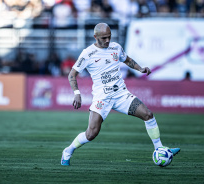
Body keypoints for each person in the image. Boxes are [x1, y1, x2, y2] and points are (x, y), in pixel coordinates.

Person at [61, 23, 180, 166]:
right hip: (102, 98)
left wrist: (140, 69)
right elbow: (72, 74)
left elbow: (127, 60)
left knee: (148, 114)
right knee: (91, 133)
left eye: (109, 37)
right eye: (104, 38)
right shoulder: (88, 53)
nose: (107, 40)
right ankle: (68, 151)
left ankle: (160, 148)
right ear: (95, 37)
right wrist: (77, 93)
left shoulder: (116, 47)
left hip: (121, 94)